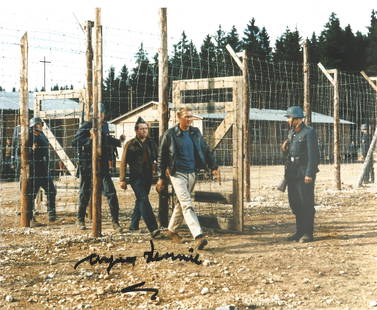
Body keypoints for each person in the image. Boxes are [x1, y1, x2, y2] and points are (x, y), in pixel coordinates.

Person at [156, 107, 220, 250]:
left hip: (192, 173)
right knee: (187, 204)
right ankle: (198, 236)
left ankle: (171, 230)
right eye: (186, 117)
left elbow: (205, 149)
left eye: (191, 117)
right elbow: (161, 157)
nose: (189, 119)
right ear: (179, 117)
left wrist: (214, 166)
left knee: (182, 203)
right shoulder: (170, 134)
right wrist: (161, 177)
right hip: (177, 174)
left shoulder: (195, 133)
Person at [72, 104, 122, 232]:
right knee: (85, 193)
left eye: (103, 113)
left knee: (111, 193)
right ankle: (80, 219)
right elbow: (75, 142)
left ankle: (115, 222)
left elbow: (106, 139)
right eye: (99, 113)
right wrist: (90, 138)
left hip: (102, 165)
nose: (101, 115)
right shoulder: (87, 125)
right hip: (87, 165)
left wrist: (119, 142)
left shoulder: (104, 125)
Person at [281, 106, 319, 243]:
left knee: (306, 203)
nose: (288, 120)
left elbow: (313, 156)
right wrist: (284, 150)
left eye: (289, 118)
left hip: (304, 174)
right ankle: (299, 232)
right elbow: (290, 154)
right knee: (295, 203)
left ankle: (308, 233)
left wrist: (309, 173)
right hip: (292, 173)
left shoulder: (309, 132)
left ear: (297, 119)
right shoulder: (291, 133)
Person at [119, 117, 160, 238]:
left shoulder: (151, 143)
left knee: (140, 200)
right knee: (143, 199)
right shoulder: (130, 144)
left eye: (146, 129)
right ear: (136, 131)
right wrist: (122, 179)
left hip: (148, 177)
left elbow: (158, 157)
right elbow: (123, 162)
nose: (144, 131)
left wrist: (162, 171)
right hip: (135, 178)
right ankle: (153, 228)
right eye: (142, 129)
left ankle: (133, 224)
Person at [26, 117, 57, 223]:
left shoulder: (42, 135)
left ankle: (52, 214)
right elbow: (20, 153)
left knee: (52, 190)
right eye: (40, 124)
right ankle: (29, 218)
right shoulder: (28, 137)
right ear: (34, 125)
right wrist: (31, 150)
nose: (42, 126)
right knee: (31, 195)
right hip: (33, 170)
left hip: (43, 169)